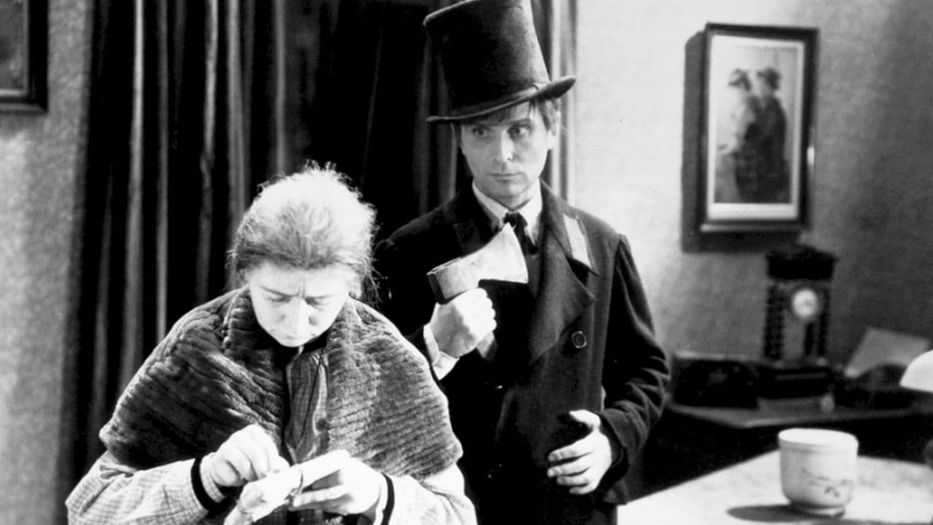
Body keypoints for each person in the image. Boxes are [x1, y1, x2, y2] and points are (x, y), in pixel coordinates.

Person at [373, 1, 670, 523]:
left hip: (568, 507)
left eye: (519, 129)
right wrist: (434, 346)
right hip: (457, 510)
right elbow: (371, 397)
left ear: (552, 131)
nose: (502, 155)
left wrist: (613, 437)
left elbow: (647, 370)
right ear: (460, 142)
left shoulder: (600, 245)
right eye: (480, 132)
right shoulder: (409, 251)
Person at [66, 165, 476, 525]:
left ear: (352, 285)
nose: (295, 322)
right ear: (245, 274)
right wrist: (206, 476)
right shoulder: (196, 346)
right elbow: (90, 510)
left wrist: (378, 495)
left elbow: (457, 516)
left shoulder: (389, 358)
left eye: (318, 302)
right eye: (276, 298)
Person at [716, 68, 765, 203]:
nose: (734, 93)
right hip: (747, 155)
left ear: (742, 86)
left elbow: (739, 136)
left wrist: (726, 150)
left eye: (735, 88)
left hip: (749, 157)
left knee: (745, 195)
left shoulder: (749, 104)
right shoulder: (746, 103)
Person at [754, 66, 791, 202]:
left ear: (770, 86)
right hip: (769, 171)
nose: (760, 87)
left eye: (763, 84)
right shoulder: (770, 109)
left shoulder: (772, 111)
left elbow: (761, 139)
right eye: (760, 83)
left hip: (770, 173)